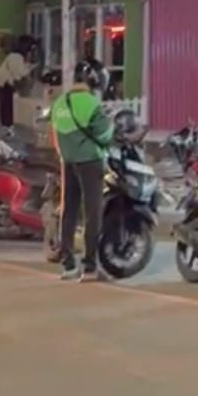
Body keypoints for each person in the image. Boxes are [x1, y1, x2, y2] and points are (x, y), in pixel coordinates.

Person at [50, 59, 113, 281]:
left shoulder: (60, 103)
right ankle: (90, 267)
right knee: (92, 213)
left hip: (68, 161)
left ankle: (68, 265)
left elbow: (56, 134)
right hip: (90, 162)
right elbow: (106, 136)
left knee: (69, 211)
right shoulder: (92, 104)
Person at [0, 36, 34, 131]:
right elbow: (18, 72)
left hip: (5, 82)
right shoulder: (15, 56)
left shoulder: (15, 56)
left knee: (6, 104)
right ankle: (6, 125)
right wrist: (29, 68)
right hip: (3, 82)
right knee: (6, 104)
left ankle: (7, 125)